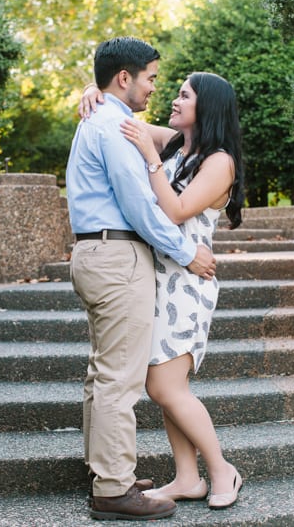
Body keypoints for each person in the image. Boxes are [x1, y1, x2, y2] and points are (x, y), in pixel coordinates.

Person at [65, 36, 217, 522]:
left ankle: (104, 469)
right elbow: (141, 208)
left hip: (97, 252)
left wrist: (94, 91)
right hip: (116, 255)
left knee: (101, 372)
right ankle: (113, 488)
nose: (157, 88)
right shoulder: (112, 127)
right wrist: (186, 252)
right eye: (151, 78)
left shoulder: (109, 119)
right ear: (125, 78)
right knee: (118, 378)